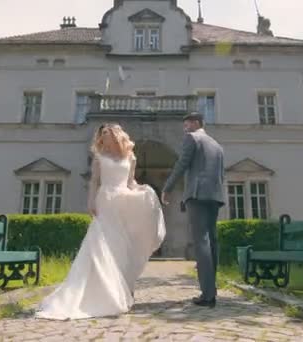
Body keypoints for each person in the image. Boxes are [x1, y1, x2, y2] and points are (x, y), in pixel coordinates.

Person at [35, 123, 166, 320]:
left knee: (122, 247)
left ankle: (125, 288)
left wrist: (142, 189)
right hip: (105, 200)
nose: (103, 137)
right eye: (102, 134)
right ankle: (105, 294)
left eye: (107, 134)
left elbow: (131, 182)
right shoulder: (99, 157)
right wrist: (90, 201)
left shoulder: (130, 157)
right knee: (103, 244)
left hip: (125, 202)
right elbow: (94, 181)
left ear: (116, 135)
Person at [162, 113, 225, 308]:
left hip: (197, 195)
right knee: (212, 242)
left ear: (196, 123)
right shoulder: (217, 145)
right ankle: (211, 291)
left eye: (186, 124)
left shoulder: (192, 138)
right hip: (214, 196)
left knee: (201, 242)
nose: (185, 128)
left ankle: (207, 295)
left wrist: (167, 188)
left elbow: (182, 164)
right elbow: (220, 173)